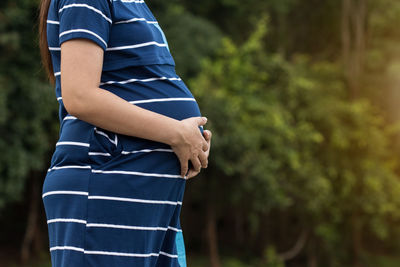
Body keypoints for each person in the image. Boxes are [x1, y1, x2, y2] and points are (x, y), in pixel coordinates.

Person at [38, 0, 212, 266]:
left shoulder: (134, 4)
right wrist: (176, 133)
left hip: (147, 193)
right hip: (106, 182)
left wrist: (192, 139)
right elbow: (79, 96)